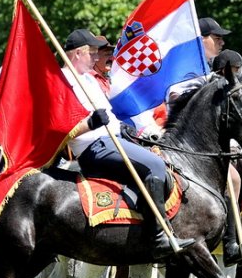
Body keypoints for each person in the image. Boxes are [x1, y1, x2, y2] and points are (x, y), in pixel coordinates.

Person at [62, 28, 195, 260]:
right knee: (155, 166)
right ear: (76, 54)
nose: (96, 57)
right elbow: (62, 125)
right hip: (94, 147)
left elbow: (109, 115)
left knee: (163, 160)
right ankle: (157, 237)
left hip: (111, 139)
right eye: (92, 52)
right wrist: (90, 123)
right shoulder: (63, 80)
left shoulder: (88, 79)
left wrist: (123, 128)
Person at [209, 49, 242, 264]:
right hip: (210, 147)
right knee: (233, 179)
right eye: (235, 71)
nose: (239, 75)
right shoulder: (214, 88)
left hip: (230, 146)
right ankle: (230, 241)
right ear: (225, 70)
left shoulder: (236, 89)